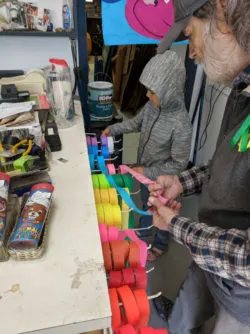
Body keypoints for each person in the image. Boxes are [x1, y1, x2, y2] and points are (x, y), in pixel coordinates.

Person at [147, 0, 250, 333]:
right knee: (186, 310)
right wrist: (181, 183)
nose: (191, 53)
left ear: (222, 15)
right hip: (210, 253)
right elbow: (226, 164)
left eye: (190, 35)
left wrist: (177, 226)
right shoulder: (242, 89)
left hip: (242, 293)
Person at [103, 50, 192, 260]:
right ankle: (141, 240)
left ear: (169, 92)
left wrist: (147, 171)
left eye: (152, 92)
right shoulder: (152, 107)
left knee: (162, 211)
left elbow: (179, 164)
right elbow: (135, 123)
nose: (147, 95)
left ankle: (159, 244)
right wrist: (113, 129)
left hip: (163, 182)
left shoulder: (180, 124)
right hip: (145, 175)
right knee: (146, 206)